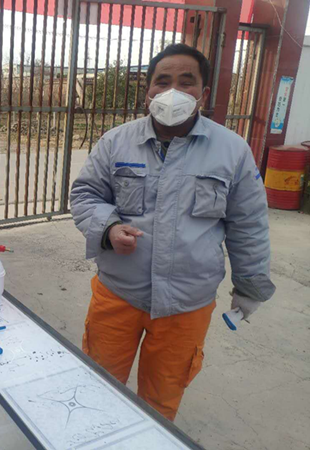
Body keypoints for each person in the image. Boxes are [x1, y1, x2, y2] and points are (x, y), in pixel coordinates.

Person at [70, 44, 275, 421]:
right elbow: (85, 194)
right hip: (119, 293)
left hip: (187, 303)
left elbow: (248, 222)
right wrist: (109, 227)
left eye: (186, 82)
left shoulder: (232, 150)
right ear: (148, 91)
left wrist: (250, 285)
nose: (173, 91)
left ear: (204, 94)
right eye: (162, 82)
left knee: (161, 400)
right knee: (99, 386)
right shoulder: (116, 142)